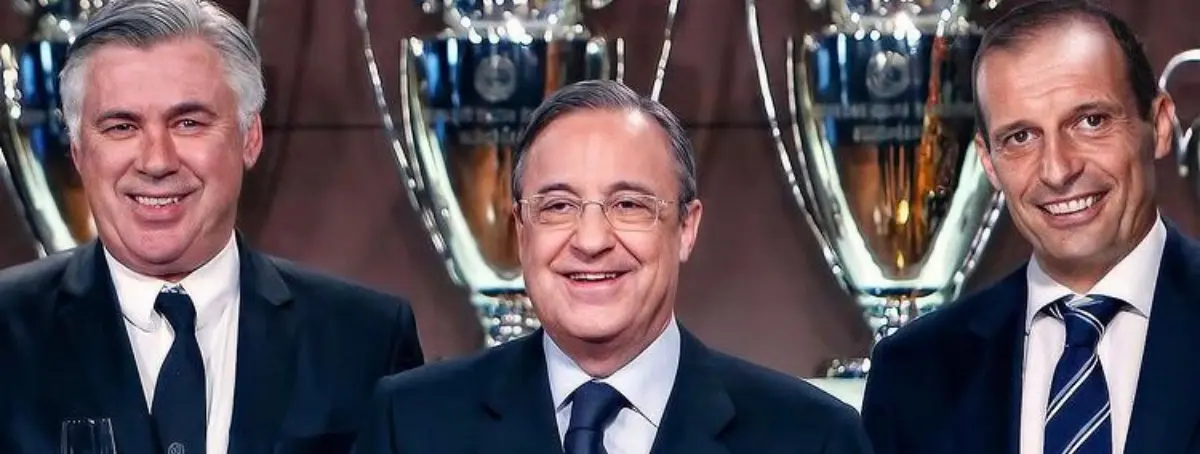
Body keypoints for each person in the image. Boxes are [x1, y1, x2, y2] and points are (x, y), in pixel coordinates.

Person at [351, 79, 872, 454]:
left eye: (629, 205)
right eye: (558, 206)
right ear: (521, 230)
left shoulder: (812, 437)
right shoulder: (411, 426)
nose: (592, 241)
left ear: (686, 228)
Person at [0, 1, 424, 453]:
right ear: (79, 152)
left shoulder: (365, 340)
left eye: (188, 123)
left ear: (250, 138)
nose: (156, 161)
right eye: (122, 126)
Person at [860, 1, 1200, 453]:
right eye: (1021, 137)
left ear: (1158, 124)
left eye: (1090, 121)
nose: (1057, 170)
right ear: (989, 162)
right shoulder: (914, 372)